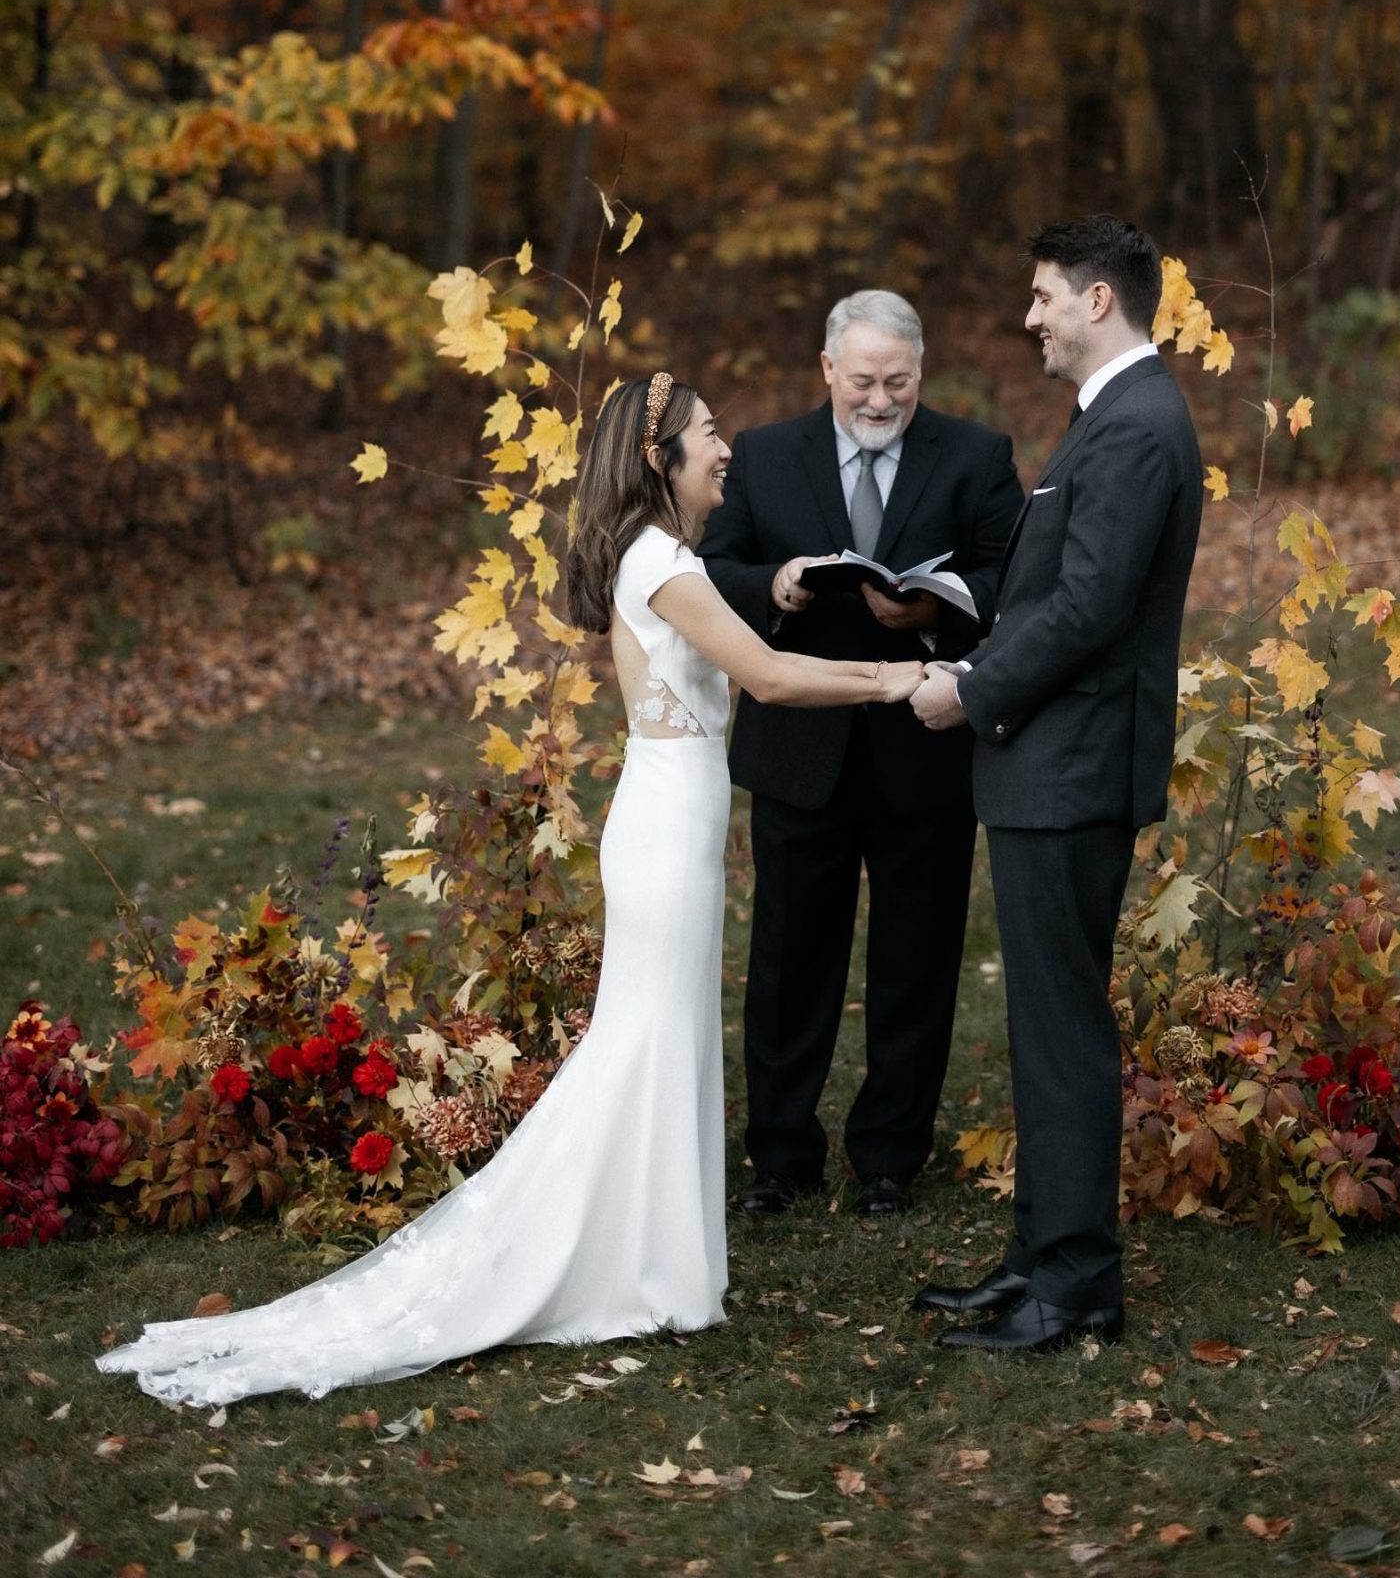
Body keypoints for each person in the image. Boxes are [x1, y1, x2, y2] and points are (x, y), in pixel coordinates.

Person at [96, 373, 923, 1406]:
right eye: (710, 434)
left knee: (660, 1039)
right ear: (659, 456)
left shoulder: (668, 558)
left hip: (673, 822)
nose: (728, 447)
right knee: (645, 1042)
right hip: (664, 830)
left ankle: (659, 1266)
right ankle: (636, 1270)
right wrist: (895, 680)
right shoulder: (664, 559)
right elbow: (766, 674)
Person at [909, 216, 1202, 1352]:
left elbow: (1088, 610)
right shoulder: (1113, 418)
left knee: (1064, 1026)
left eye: (1040, 296)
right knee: (1044, 1022)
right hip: (1055, 763)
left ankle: (1075, 1284)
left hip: (1069, 768)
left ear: (1096, 301)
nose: (1027, 316)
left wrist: (969, 692)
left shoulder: (1134, 426)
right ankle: (1040, 1253)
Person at [701, 291, 1022, 1218]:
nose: (880, 401)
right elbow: (712, 571)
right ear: (827, 371)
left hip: (923, 746)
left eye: (899, 383)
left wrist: (935, 606)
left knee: (916, 960)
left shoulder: (975, 455)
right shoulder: (764, 455)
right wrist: (779, 584)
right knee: (789, 957)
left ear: (921, 372)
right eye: (864, 382)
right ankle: (779, 1154)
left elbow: (1014, 578)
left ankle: (889, 1155)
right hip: (800, 749)